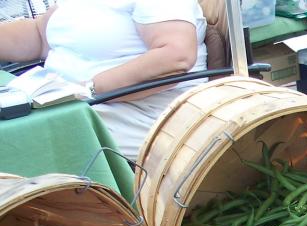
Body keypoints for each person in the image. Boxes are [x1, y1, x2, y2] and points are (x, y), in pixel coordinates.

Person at [0, 0, 208, 160]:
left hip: (134, 117)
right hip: (71, 105)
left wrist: (85, 89)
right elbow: (39, 36)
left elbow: (176, 57)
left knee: (12, 140)